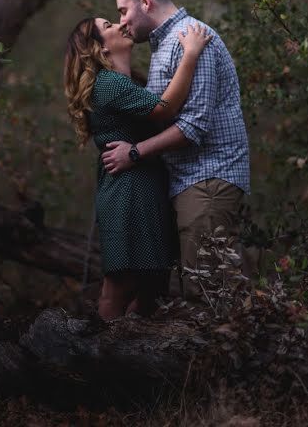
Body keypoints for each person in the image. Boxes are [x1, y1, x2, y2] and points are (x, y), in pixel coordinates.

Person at [101, 0, 251, 297]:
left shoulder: (192, 37)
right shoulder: (166, 46)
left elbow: (192, 127)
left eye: (123, 11)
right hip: (189, 182)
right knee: (196, 292)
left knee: (209, 294)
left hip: (208, 179)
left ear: (145, 1)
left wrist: (135, 152)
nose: (122, 21)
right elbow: (162, 112)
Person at [63, 17, 211, 320]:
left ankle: (132, 351)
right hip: (127, 193)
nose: (119, 25)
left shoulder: (129, 83)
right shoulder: (109, 83)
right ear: (100, 48)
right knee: (119, 285)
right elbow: (165, 108)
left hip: (145, 186)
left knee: (151, 287)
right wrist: (192, 53)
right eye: (108, 25)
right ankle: (102, 359)